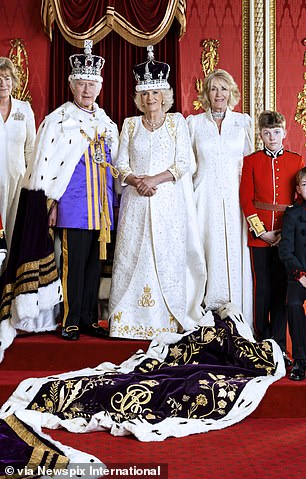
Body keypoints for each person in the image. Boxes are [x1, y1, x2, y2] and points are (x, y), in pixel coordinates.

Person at [0, 41, 119, 353]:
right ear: (72, 85)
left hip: (102, 208)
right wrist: (50, 204)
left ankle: (91, 318)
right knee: (74, 264)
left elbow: (116, 165)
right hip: (74, 206)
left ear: (99, 87)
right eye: (81, 83)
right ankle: (70, 319)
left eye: (92, 84)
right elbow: (44, 167)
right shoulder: (58, 120)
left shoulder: (107, 123)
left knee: (96, 264)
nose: (87, 89)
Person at [108, 45, 206, 339]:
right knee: (134, 256)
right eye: (145, 94)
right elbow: (119, 164)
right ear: (139, 97)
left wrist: (154, 179)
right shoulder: (130, 125)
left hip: (166, 203)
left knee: (164, 257)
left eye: (156, 93)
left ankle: (167, 319)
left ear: (165, 95)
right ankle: (127, 322)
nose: (151, 98)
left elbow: (184, 163)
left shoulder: (177, 123)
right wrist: (137, 180)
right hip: (135, 203)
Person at [187, 69, 253, 324]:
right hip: (203, 197)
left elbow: (248, 164)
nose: (219, 94)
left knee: (234, 249)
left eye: (224, 89)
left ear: (232, 92)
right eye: (214, 88)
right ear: (206, 93)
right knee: (206, 248)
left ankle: (236, 306)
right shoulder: (194, 124)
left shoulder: (243, 123)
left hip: (235, 197)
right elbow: (189, 164)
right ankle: (207, 307)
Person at [240, 110, 304, 366]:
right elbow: (246, 199)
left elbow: (298, 199)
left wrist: (284, 234)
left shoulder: (296, 160)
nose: (272, 137)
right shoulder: (251, 161)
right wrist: (261, 232)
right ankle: (261, 338)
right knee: (262, 288)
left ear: (284, 133)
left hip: (287, 238)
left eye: (276, 132)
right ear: (261, 135)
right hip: (260, 235)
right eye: (266, 133)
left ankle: (278, 340)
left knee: (283, 289)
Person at [0, 57, 36, 271]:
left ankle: (8, 289)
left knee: (14, 237)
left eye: (6, 78)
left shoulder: (24, 109)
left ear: (13, 81)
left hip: (18, 184)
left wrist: (31, 184)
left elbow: (30, 149)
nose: (2, 83)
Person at [278, 167, 306, 380]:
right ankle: (300, 359)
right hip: (299, 273)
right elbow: (285, 249)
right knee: (294, 304)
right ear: (298, 189)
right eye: (305, 185)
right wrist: (300, 273)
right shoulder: (292, 213)